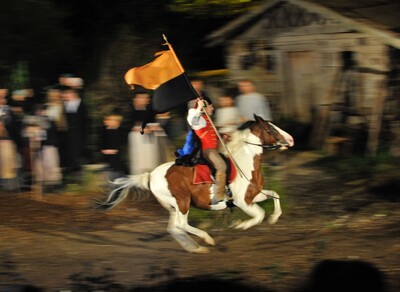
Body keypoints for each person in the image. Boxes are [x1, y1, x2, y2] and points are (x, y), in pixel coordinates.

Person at [187, 97, 227, 204]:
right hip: (206, 150)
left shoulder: (208, 119)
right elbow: (193, 121)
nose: (213, 108)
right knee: (221, 166)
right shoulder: (200, 119)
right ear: (205, 107)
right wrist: (199, 108)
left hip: (213, 148)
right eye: (211, 106)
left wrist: (222, 138)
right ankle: (219, 195)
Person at [99, 113, 127, 182]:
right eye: (107, 120)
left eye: (110, 120)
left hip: (118, 159)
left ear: (117, 122)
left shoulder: (120, 131)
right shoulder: (104, 131)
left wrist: (112, 150)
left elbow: (121, 144)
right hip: (107, 159)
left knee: (117, 175)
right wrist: (103, 150)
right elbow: (101, 143)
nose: (107, 121)